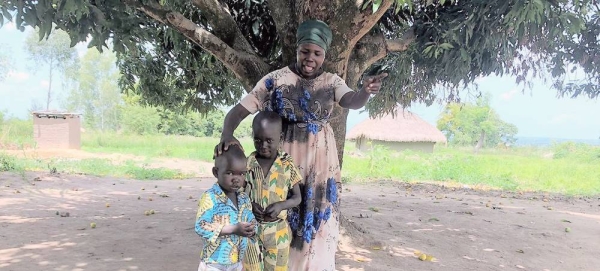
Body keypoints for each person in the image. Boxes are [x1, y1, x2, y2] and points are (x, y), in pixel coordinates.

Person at [215, 19, 387, 270]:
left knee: (317, 215)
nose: (310, 58)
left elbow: (351, 100)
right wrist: (226, 134)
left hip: (321, 161)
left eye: (317, 53)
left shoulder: (332, 81)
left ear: (324, 55)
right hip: (282, 158)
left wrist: (366, 91)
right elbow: (240, 110)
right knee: (280, 211)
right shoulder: (276, 79)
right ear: (297, 49)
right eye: (305, 51)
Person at [242, 111, 303, 271]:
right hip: (250, 231)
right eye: (258, 140)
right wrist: (250, 205)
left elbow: (297, 198)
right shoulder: (247, 164)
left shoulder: (287, 163)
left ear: (280, 138)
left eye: (269, 140)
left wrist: (281, 206)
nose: (263, 145)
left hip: (278, 233)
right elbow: (237, 194)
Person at [195, 144, 258, 271]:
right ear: (216, 172)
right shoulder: (210, 198)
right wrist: (233, 229)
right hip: (214, 263)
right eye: (229, 173)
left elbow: (251, 219)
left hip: (236, 262)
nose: (236, 179)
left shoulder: (244, 198)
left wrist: (252, 228)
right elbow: (201, 226)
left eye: (241, 174)